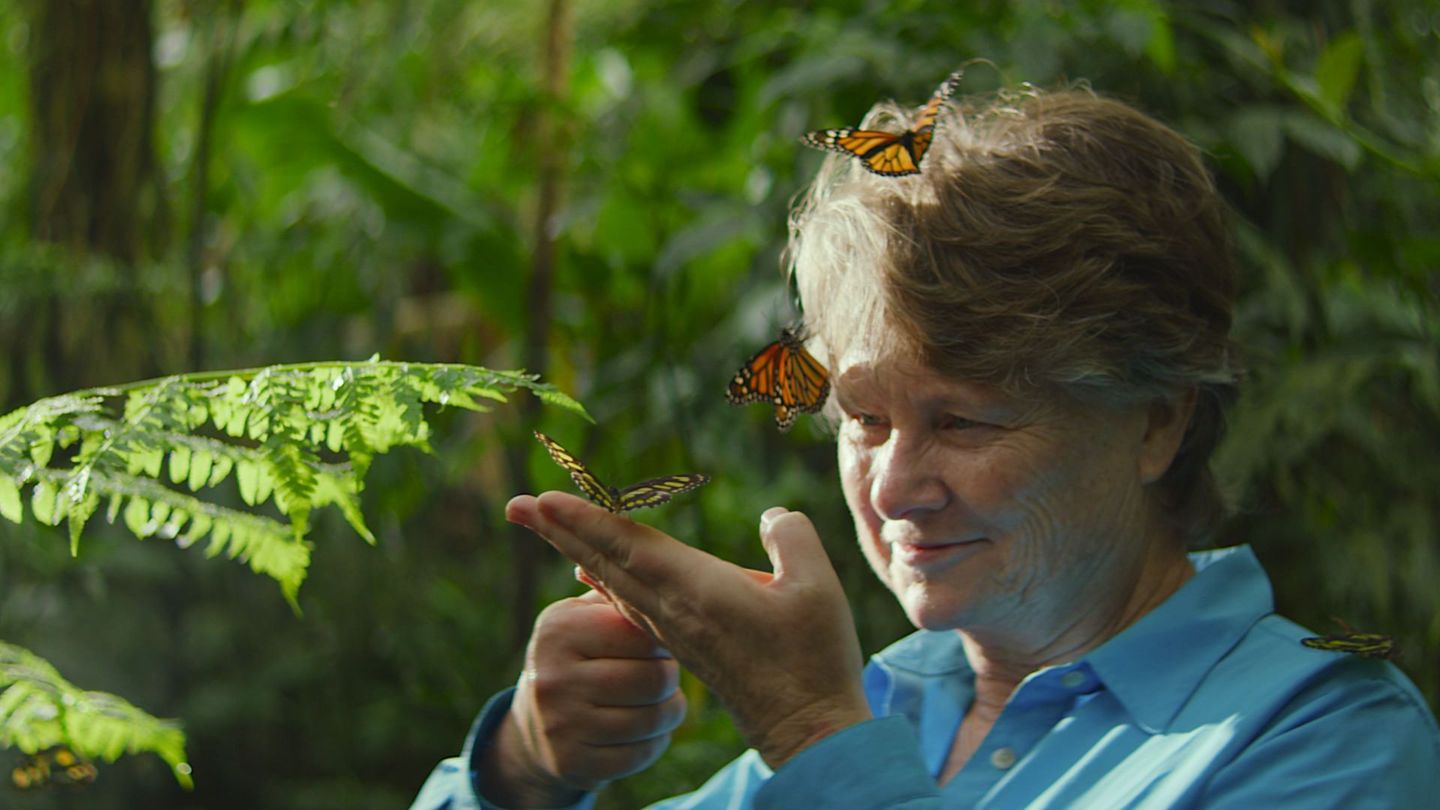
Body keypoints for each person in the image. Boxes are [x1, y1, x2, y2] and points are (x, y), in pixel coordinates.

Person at [411, 85, 1440, 808]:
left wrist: (814, 732)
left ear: (1156, 422)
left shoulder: (1323, 738)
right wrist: (523, 769)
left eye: (966, 421)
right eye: (864, 418)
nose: (895, 487)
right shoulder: (897, 699)